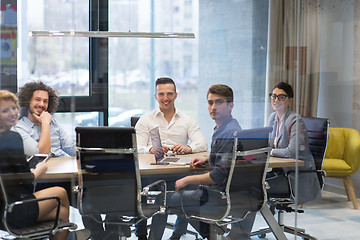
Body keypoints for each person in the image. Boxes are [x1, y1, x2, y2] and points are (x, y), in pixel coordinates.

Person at [148, 84, 256, 240]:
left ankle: (211, 234)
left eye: (219, 102)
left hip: (217, 195)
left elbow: (217, 176)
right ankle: (212, 233)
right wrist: (209, 159)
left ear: (230, 105)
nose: (213, 107)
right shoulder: (226, 127)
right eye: (210, 102)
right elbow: (228, 161)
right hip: (227, 192)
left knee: (163, 199)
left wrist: (186, 180)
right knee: (185, 192)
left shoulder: (227, 133)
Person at [135, 77, 208, 240]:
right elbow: (136, 148)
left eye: (169, 94)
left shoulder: (187, 120)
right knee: (158, 194)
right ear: (155, 96)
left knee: (192, 185)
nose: (165, 98)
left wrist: (188, 148)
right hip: (151, 174)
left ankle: (177, 234)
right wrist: (151, 149)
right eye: (161, 94)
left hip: (177, 171)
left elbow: (202, 144)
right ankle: (142, 234)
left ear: (176, 95)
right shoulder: (145, 120)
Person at [0, 90, 70, 240]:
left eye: (14, 108)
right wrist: (36, 171)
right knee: (61, 193)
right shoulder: (12, 137)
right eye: (5, 110)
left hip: (4, 210)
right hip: (12, 209)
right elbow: (25, 182)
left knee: (59, 213)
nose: (12, 113)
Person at [267, 81, 321, 204]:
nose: (276, 100)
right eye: (273, 96)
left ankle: (271, 219)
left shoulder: (296, 120)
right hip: (279, 171)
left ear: (290, 100)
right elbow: (267, 144)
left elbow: (292, 152)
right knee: (253, 181)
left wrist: (271, 152)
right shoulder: (272, 118)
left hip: (293, 175)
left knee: (256, 187)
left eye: (281, 97)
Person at [15, 81, 76, 157]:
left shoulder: (52, 122)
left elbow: (70, 148)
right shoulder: (19, 128)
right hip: (44, 167)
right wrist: (45, 124)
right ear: (27, 102)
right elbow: (41, 154)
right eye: (37, 100)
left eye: (45, 101)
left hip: (63, 163)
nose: (42, 104)